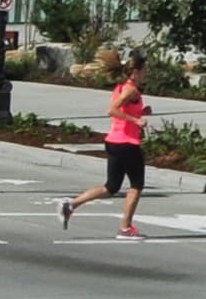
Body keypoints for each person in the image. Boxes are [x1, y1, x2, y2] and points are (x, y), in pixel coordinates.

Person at [60, 55, 152, 238]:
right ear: (135, 72)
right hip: (127, 143)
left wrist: (141, 112)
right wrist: (136, 120)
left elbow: (123, 110)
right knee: (136, 185)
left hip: (114, 141)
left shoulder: (121, 87)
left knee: (111, 187)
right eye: (144, 70)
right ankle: (125, 228)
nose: (146, 73)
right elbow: (112, 110)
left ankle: (71, 205)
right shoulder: (130, 90)